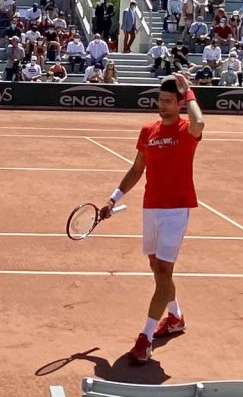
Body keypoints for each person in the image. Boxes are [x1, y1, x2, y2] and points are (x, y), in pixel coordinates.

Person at [99, 73, 205, 364]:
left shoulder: (186, 130)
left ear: (180, 104)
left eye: (169, 101)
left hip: (176, 210)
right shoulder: (148, 130)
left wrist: (189, 92)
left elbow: (199, 123)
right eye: (160, 100)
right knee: (156, 267)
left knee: (163, 272)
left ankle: (144, 338)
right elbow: (137, 169)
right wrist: (113, 199)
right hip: (151, 208)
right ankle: (175, 317)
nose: (162, 105)